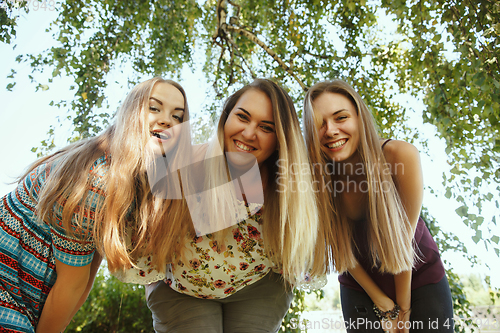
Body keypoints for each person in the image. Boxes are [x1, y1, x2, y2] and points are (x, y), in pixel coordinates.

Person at [0, 77, 193, 333]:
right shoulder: (96, 180)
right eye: (154, 108)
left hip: (26, 298)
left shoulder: (125, 183)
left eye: (177, 116)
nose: (167, 120)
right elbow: (70, 287)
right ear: (130, 113)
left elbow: (86, 276)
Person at [144, 78, 320, 333]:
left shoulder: (288, 185)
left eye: (266, 127)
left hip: (258, 287)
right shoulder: (187, 162)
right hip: (182, 290)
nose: (249, 134)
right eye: (242, 117)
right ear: (226, 118)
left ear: (280, 140)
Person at [303, 80, 454, 333]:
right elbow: (340, 248)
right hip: (360, 284)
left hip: (417, 274)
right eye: (319, 124)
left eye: (341, 118)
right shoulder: (315, 178)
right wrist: (382, 303)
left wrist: (403, 310)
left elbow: (402, 244)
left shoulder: (399, 155)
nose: (330, 130)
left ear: (360, 118)